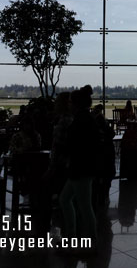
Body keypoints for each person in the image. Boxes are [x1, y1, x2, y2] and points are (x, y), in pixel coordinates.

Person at [59, 89, 99, 243]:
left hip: (80, 168)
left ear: (76, 103)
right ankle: (74, 236)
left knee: (83, 206)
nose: (68, 104)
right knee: (67, 200)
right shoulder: (86, 119)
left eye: (70, 102)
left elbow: (75, 144)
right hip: (82, 168)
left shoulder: (80, 121)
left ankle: (88, 240)